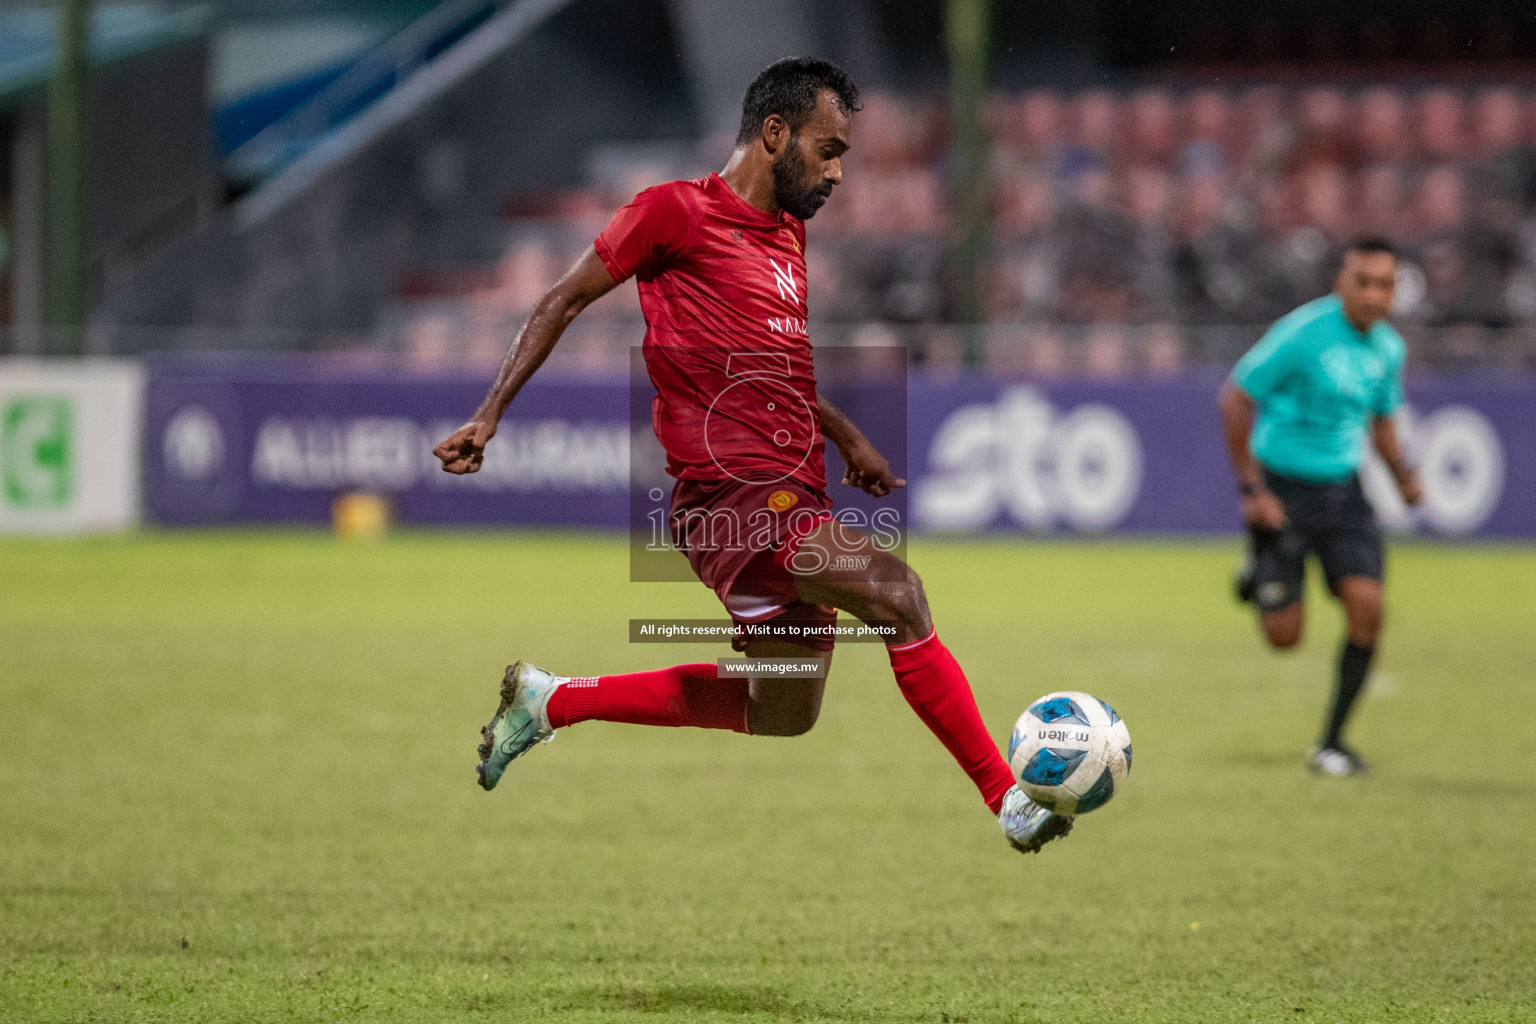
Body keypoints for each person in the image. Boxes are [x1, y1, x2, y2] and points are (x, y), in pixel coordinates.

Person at [432, 58, 1072, 854]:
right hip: (734, 503)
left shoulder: (788, 237)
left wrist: (843, 435)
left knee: (785, 709)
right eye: (828, 149)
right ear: (776, 133)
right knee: (899, 593)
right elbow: (561, 297)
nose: (838, 172)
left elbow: (771, 370)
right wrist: (489, 415)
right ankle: (1005, 797)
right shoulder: (672, 213)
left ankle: (553, 701)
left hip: (791, 495)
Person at [1218, 238, 1423, 776]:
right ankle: (1258, 568)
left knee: (1369, 608)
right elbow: (1236, 397)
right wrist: (1253, 490)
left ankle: (1332, 744)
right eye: (1366, 282)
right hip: (1284, 491)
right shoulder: (1302, 334)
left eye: (1387, 284)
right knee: (1284, 638)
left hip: (1344, 491)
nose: (1376, 295)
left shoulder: (1388, 349)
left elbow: (1380, 423)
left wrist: (1403, 476)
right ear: (1342, 283)